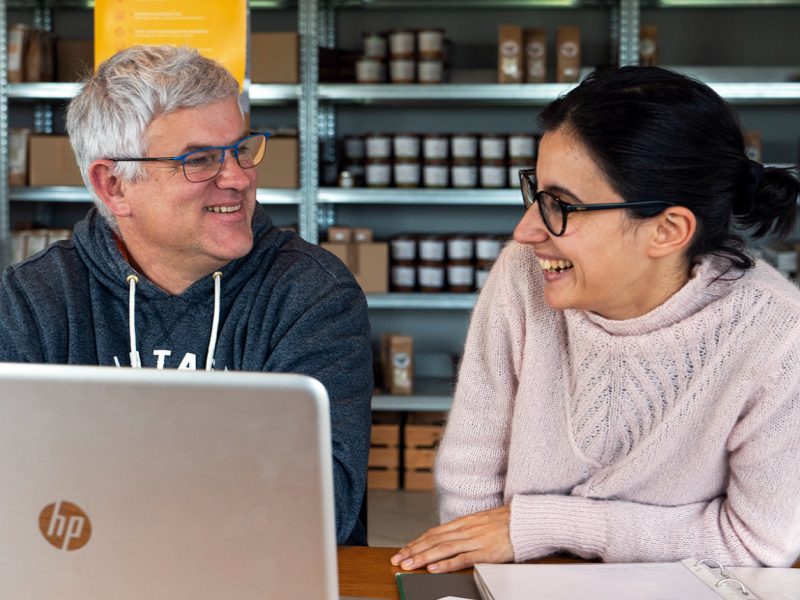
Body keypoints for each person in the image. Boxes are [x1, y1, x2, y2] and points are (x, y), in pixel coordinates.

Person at [392, 66, 800, 572]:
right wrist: (482, 574)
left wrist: (542, 525)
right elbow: (473, 467)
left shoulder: (778, 336)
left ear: (668, 230)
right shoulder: (524, 277)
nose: (525, 232)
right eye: (535, 193)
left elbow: (755, 546)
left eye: (562, 204)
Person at [0, 45, 372, 545]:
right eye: (198, 160)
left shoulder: (310, 292)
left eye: (241, 149)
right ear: (113, 186)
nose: (238, 178)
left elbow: (318, 509)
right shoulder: (31, 302)